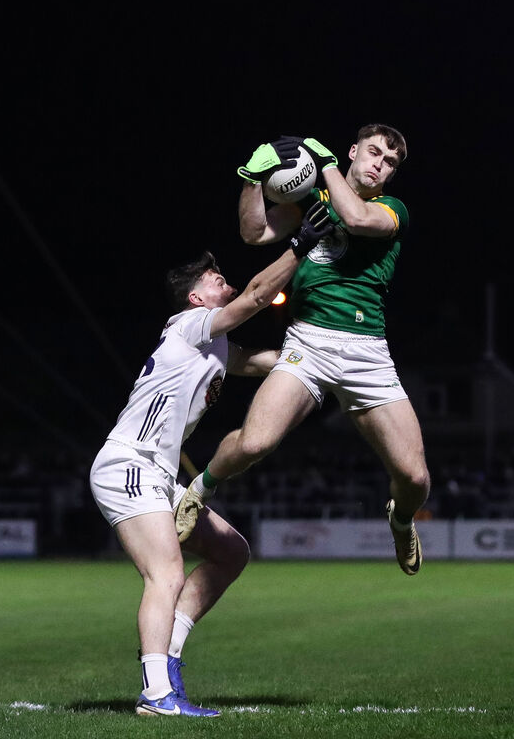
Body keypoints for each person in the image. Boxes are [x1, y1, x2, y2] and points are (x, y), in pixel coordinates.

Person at [89, 203, 333, 718]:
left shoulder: (214, 343)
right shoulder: (192, 322)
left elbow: (263, 362)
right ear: (197, 296)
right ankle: (156, 693)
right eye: (215, 277)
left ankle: (167, 657)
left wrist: (327, 351)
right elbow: (256, 297)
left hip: (154, 473)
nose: (226, 281)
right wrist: (299, 245)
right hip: (128, 464)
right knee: (166, 572)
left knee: (232, 552)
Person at [175, 125, 431, 575]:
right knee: (255, 442)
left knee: (414, 479)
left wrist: (327, 165)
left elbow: (353, 219)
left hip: (366, 352)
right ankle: (199, 489)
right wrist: (252, 179)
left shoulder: (393, 210)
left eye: (389, 162)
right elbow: (254, 232)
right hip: (309, 343)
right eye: (373, 153)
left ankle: (402, 518)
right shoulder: (312, 205)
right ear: (354, 151)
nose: (379, 165)